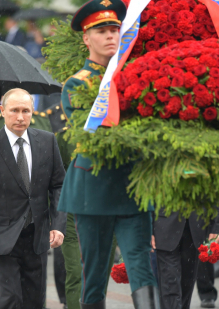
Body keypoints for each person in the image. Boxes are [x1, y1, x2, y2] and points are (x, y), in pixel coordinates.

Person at [57, 1, 160, 308]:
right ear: (86, 39)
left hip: (132, 188)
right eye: (101, 31)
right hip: (94, 190)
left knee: (142, 268)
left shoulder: (136, 77)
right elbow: (88, 135)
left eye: (115, 29)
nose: (110, 36)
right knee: (96, 277)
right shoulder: (77, 84)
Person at [0, 88, 66, 308]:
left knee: (34, 301)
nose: (20, 117)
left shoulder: (47, 141)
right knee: (11, 299)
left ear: (33, 112)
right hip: (3, 237)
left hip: (37, 237)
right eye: (14, 111)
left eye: (25, 111)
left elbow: (58, 185)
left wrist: (58, 225)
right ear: (2, 111)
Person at [152, 206, 219, 309]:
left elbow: (216, 193)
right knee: (170, 285)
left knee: (186, 287)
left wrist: (216, 228)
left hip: (195, 227)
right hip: (164, 225)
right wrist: (148, 228)